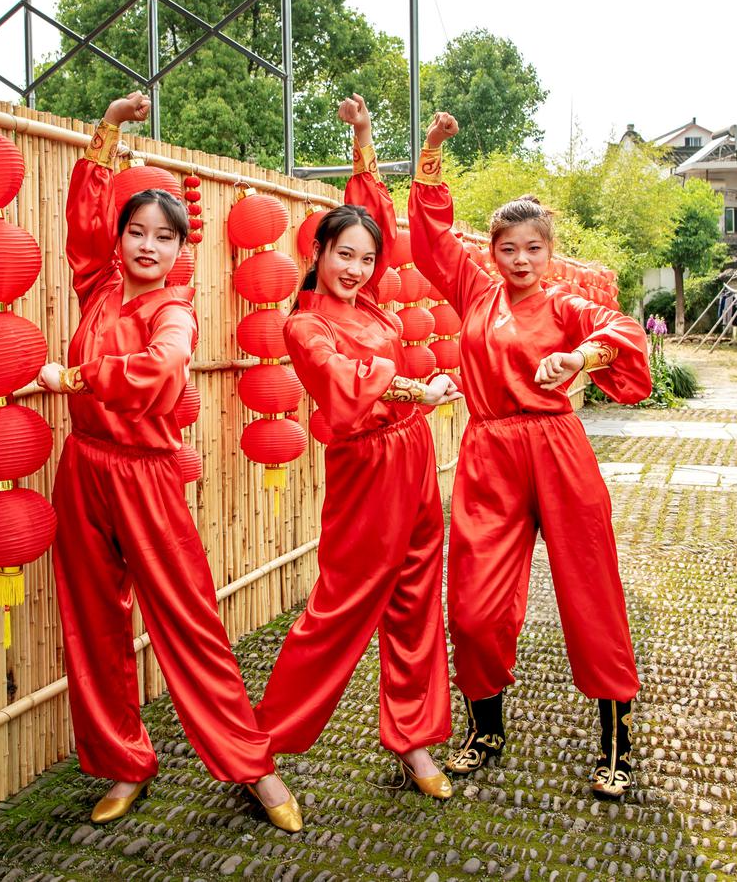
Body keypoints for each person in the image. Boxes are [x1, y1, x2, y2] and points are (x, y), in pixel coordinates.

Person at [38, 92, 299, 830]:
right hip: (82, 466)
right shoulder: (97, 286)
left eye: (164, 237)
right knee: (93, 621)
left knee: (189, 622)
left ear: (182, 249)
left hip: (146, 475)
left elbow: (162, 370)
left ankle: (252, 765)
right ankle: (124, 762)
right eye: (136, 232)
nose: (148, 246)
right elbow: (81, 223)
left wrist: (78, 377)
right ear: (119, 240)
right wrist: (109, 130)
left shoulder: (173, 309)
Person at [408, 111, 653, 801]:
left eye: (533, 249)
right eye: (509, 248)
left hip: (557, 447)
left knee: (590, 590)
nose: (520, 260)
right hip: (488, 451)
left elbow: (620, 330)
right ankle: (485, 727)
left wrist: (580, 357)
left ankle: (615, 738)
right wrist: (432, 152)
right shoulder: (473, 292)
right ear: (491, 251)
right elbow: (429, 241)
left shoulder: (565, 302)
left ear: (549, 252)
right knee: (473, 605)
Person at [253, 95, 462, 799]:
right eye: (343, 254)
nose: (357, 267)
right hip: (367, 466)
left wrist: (365, 135)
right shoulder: (304, 325)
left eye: (367, 259)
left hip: (413, 454)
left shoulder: (371, 305)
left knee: (416, 597)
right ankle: (260, 751)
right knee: (339, 610)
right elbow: (344, 383)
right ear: (316, 252)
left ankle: (414, 738)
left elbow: (370, 210)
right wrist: (416, 388)